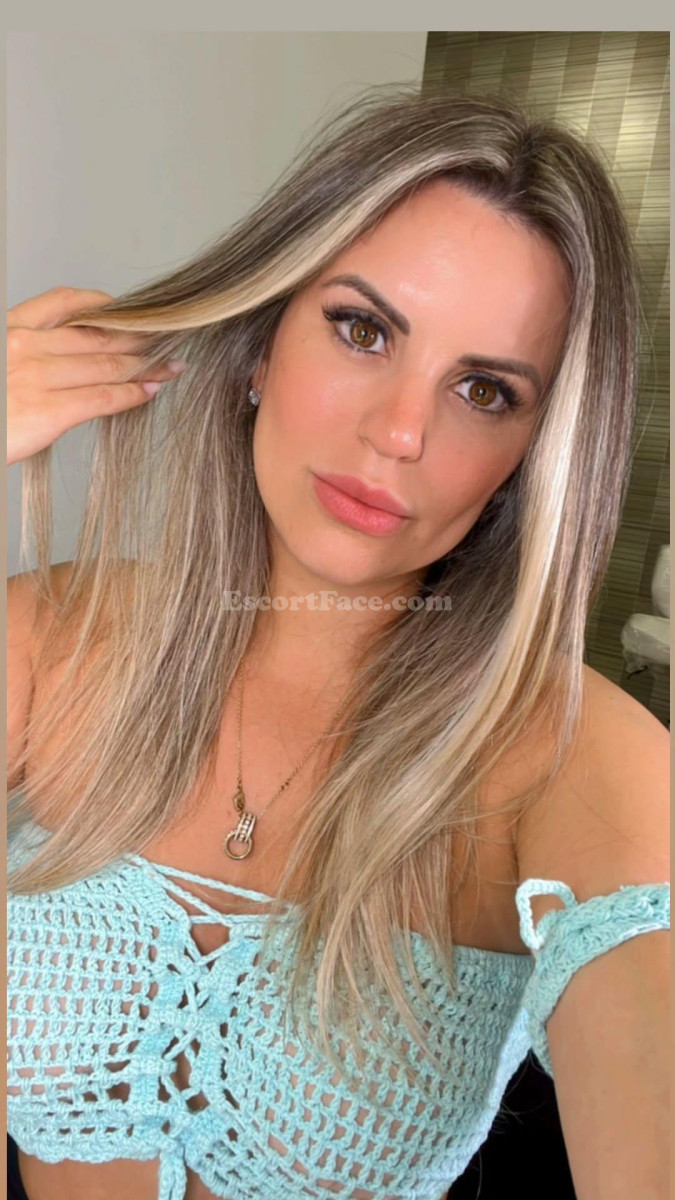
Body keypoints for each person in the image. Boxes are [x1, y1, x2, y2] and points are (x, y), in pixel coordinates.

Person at [7, 85, 669, 1200]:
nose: (399, 433)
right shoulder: (49, 640)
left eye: (484, 390)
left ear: (531, 458)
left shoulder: (578, 763)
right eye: (363, 331)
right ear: (262, 345)